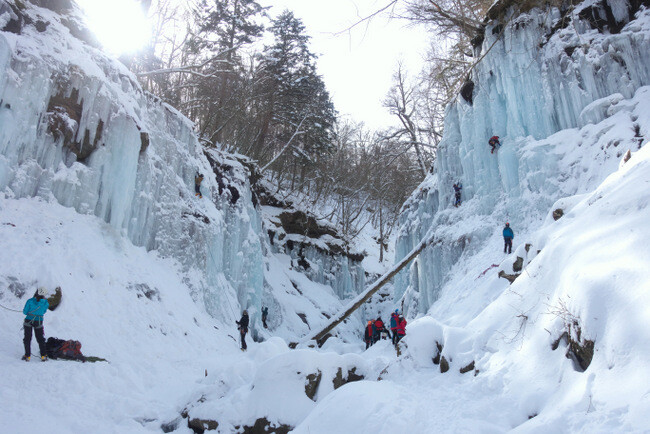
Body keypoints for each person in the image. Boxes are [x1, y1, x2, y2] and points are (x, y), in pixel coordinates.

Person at [22, 287, 49, 361]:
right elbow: (43, 312)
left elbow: (25, 312)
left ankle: (27, 356)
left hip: (28, 320)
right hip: (39, 321)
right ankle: (43, 356)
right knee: (40, 338)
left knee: (27, 338)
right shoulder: (45, 303)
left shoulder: (30, 301)